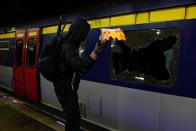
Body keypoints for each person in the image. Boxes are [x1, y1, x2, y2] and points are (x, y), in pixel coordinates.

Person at [53, 18, 107, 131]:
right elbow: (82, 68)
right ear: (79, 33)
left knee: (74, 119)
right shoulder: (67, 48)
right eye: (84, 34)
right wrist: (98, 49)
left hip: (67, 88)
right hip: (65, 90)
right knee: (74, 120)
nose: (85, 37)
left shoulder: (67, 43)